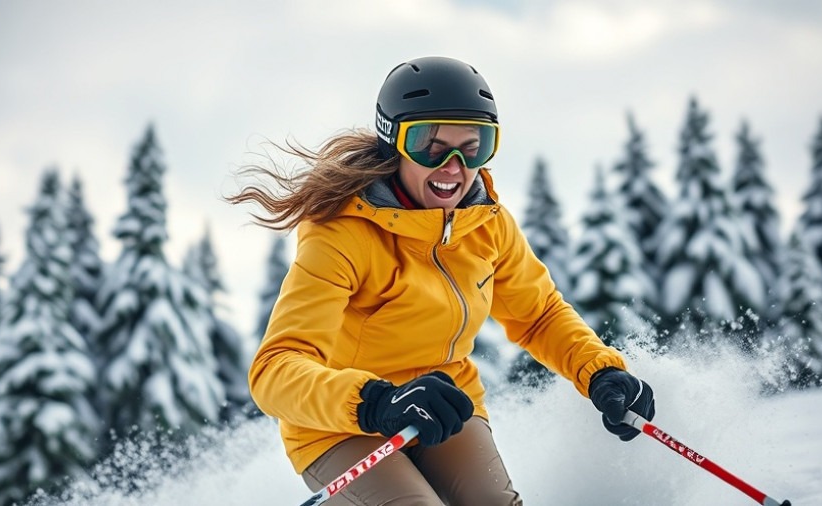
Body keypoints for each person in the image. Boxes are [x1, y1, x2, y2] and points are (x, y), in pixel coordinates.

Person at [230, 56, 656, 505]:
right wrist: (375, 402)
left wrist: (600, 371)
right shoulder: (341, 233)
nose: (454, 166)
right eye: (431, 146)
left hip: (444, 404)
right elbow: (274, 370)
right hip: (342, 422)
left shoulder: (486, 225)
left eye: (474, 146)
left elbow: (538, 315)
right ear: (394, 142)